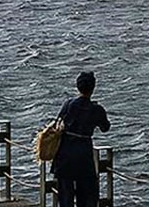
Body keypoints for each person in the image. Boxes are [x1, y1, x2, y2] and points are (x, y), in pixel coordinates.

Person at [52, 71, 111, 207]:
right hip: (83, 155)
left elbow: (57, 123)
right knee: (87, 195)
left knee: (65, 195)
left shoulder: (68, 104)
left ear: (78, 87)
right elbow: (105, 127)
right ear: (93, 88)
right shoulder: (96, 109)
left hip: (65, 154)